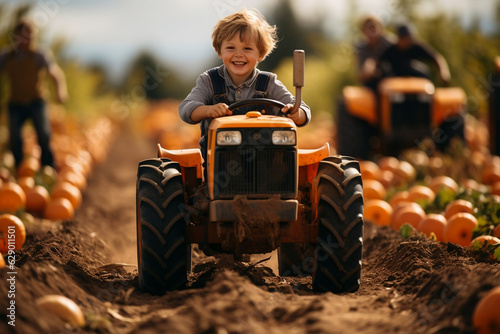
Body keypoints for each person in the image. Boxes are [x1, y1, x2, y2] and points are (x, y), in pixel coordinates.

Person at [179, 9, 311, 166]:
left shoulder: (268, 82)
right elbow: (186, 109)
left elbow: (302, 109)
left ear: (260, 54)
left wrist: (297, 113)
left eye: (247, 49)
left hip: (267, 165)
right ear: (219, 51)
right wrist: (208, 110)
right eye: (231, 48)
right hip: (220, 165)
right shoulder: (209, 81)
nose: (238, 54)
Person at [0, 19, 68, 171]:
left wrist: (60, 91)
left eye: (31, 36)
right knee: (15, 137)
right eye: (24, 36)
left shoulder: (39, 54)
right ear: (16, 36)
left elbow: (54, 73)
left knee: (44, 134)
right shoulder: (6, 56)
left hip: (36, 102)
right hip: (15, 103)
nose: (28, 40)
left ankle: (48, 167)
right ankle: (19, 168)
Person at [376, 22, 450, 83]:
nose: (407, 41)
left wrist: (443, 71)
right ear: (398, 38)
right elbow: (377, 61)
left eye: (409, 37)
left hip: (415, 77)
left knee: (424, 71)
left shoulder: (417, 46)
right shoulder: (391, 50)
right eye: (404, 38)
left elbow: (436, 57)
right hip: (395, 78)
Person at [355, 15, 396, 90]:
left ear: (380, 28)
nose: (371, 31)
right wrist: (369, 72)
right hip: (372, 85)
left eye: (373, 27)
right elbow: (360, 75)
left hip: (393, 83)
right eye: (368, 28)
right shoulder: (361, 47)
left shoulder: (391, 43)